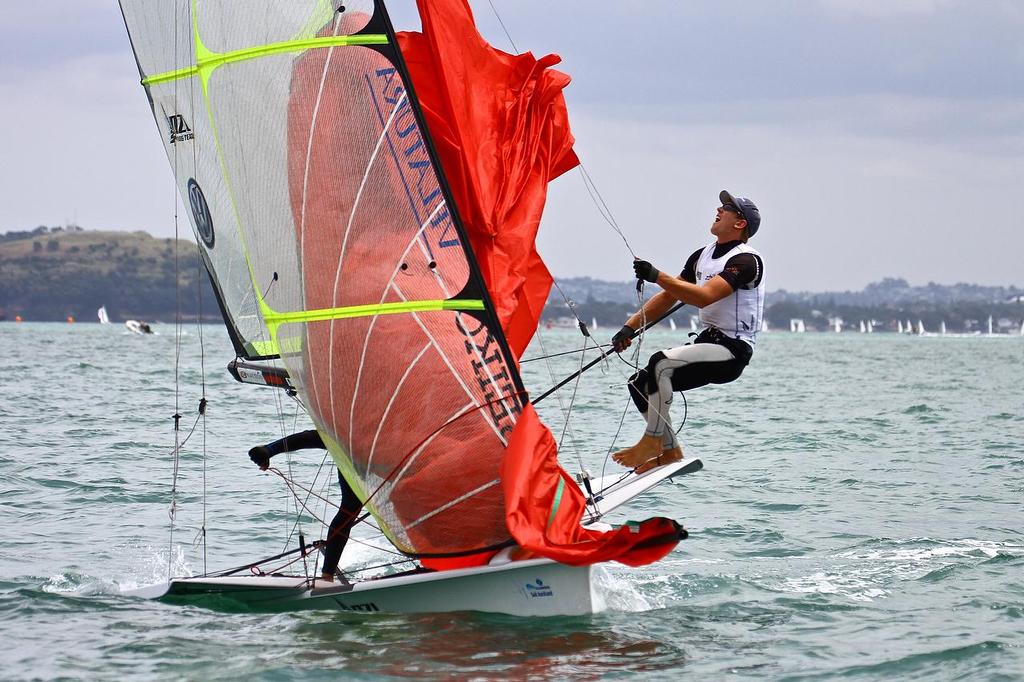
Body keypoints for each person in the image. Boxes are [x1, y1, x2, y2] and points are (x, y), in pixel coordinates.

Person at [610, 190, 765, 473]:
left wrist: (658, 276)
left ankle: (652, 440)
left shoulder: (746, 261)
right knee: (639, 382)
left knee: (661, 362)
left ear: (740, 223)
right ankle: (670, 451)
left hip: (733, 351)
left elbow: (703, 297)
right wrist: (629, 327)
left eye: (726, 207)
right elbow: (669, 296)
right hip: (709, 342)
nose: (718, 209)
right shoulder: (702, 256)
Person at [248, 429, 362, 583]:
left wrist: (270, 450)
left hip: (384, 458)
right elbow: (322, 437)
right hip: (364, 454)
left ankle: (327, 576)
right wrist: (269, 450)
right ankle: (327, 576)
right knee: (349, 509)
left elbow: (318, 437)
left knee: (349, 509)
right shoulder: (353, 437)